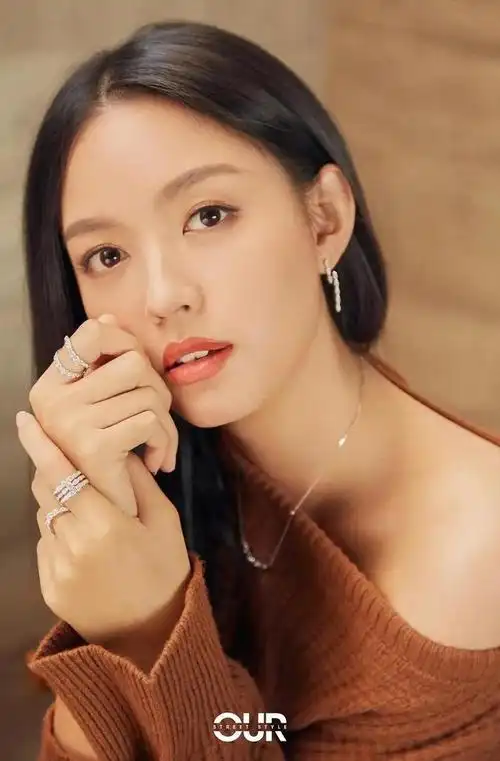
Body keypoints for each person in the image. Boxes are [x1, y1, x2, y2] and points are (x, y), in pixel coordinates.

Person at [18, 20, 500, 761]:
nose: (163, 296)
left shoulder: (472, 546)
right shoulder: (172, 468)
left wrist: (145, 630)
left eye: (208, 215)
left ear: (324, 219)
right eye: (106, 255)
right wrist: (102, 511)